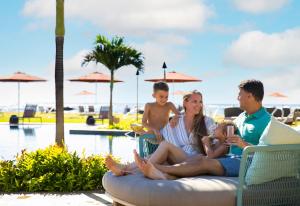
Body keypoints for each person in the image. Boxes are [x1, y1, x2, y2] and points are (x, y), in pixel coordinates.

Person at [134, 79, 271, 179]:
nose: (237, 97)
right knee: (194, 158)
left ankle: (154, 168)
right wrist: (175, 117)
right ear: (185, 103)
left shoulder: (268, 121)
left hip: (242, 161)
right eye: (194, 101)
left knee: (200, 159)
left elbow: (270, 151)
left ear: (250, 96)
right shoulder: (241, 117)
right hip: (228, 157)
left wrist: (243, 145)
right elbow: (223, 134)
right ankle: (136, 168)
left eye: (240, 94)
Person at [105, 90, 216, 176]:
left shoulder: (207, 122)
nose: (198, 104)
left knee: (165, 146)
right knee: (158, 154)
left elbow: (216, 141)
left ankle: (126, 169)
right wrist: (144, 132)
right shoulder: (176, 121)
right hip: (176, 159)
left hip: (194, 161)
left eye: (200, 101)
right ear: (185, 103)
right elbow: (160, 136)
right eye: (194, 101)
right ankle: (125, 168)